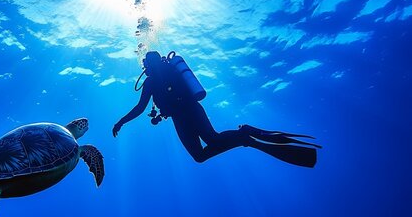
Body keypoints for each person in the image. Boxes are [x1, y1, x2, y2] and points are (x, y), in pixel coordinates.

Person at [112, 51, 320, 167]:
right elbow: (141, 107)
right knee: (203, 151)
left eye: (146, 62)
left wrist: (121, 122)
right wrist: (121, 121)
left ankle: (244, 136)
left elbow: (140, 108)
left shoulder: (151, 80)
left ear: (148, 63)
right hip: (188, 112)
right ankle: (244, 136)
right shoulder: (163, 73)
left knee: (208, 145)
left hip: (186, 113)